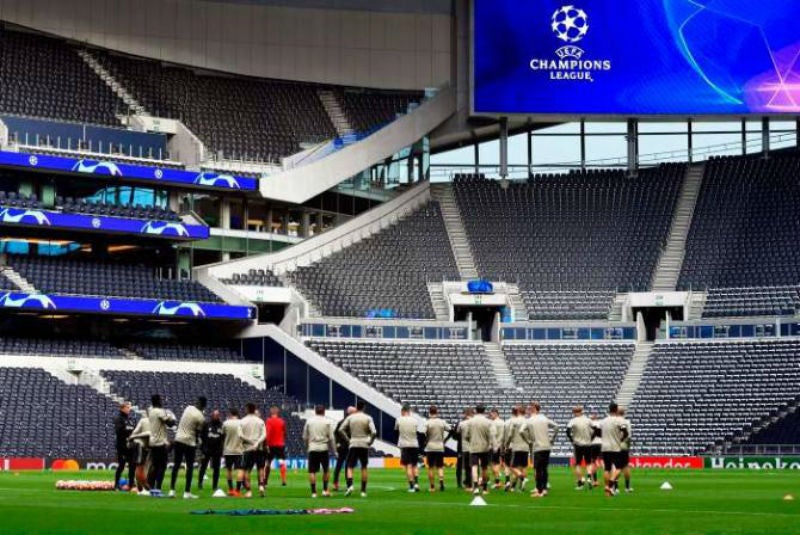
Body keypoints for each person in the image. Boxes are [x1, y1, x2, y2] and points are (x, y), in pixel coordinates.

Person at [169, 396, 207, 499]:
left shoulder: (188, 408)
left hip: (178, 439)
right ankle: (187, 492)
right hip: (189, 442)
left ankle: (172, 490)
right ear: (204, 405)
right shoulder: (201, 417)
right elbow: (198, 432)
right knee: (190, 467)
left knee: (176, 465)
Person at [339, 400, 377, 497]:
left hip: (354, 443)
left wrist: (348, 439)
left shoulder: (351, 417)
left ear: (357, 407)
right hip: (364, 443)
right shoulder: (368, 418)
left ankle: (350, 485)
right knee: (364, 467)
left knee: (350, 467)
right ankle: (363, 491)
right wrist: (371, 441)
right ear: (364, 408)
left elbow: (341, 429)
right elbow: (374, 432)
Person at [303, 404, 336, 498]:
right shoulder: (327, 422)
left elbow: (304, 436)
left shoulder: (309, 421)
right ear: (324, 411)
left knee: (312, 471)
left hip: (312, 448)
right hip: (323, 448)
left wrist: (307, 446)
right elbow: (332, 438)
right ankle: (325, 490)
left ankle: (313, 493)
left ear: (315, 411)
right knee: (326, 470)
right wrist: (334, 450)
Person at [146, 394, 176, 494]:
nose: (162, 401)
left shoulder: (151, 411)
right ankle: (158, 488)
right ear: (158, 401)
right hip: (160, 442)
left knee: (154, 465)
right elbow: (171, 423)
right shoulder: (160, 412)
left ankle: (151, 486)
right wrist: (172, 417)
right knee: (161, 466)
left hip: (152, 441)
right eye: (160, 400)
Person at [528, 402, 559, 498]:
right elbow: (557, 426)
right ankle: (544, 489)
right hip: (547, 446)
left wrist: (529, 440)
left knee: (538, 469)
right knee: (544, 469)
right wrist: (552, 439)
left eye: (530, 408)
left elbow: (521, 431)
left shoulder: (530, 420)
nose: (529, 410)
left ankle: (539, 490)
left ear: (533, 409)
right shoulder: (544, 418)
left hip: (538, 447)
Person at [599, 403, 629, 497]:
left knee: (607, 469)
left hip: (605, 447)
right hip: (615, 447)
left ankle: (607, 490)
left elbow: (598, 432)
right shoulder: (618, 420)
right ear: (616, 410)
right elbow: (625, 432)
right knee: (619, 468)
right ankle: (611, 483)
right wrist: (621, 439)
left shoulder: (603, 421)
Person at [464, 405, 494, 496]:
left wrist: (472, 440)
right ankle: (484, 488)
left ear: (476, 411)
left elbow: (466, 436)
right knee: (484, 468)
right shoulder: (488, 422)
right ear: (484, 411)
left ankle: (476, 487)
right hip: (485, 447)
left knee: (474, 467)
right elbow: (491, 435)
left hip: (474, 447)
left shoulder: (470, 421)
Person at [240, 403, 267, 498]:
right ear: (255, 409)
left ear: (247, 409)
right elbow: (264, 435)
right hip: (259, 448)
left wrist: (250, 442)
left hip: (247, 449)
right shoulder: (260, 421)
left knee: (247, 470)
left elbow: (240, 435)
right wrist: (256, 443)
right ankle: (261, 486)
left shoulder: (242, 421)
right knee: (260, 468)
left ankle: (249, 491)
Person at [422, 405, 450, 493]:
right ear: (437, 412)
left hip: (430, 447)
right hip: (440, 446)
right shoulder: (442, 422)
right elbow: (451, 430)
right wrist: (445, 440)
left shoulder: (427, 422)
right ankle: (441, 482)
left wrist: (425, 441)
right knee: (440, 467)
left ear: (429, 412)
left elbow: (423, 434)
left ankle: (432, 486)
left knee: (430, 467)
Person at [566, 405, 594, 490]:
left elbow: (567, 430)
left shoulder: (573, 420)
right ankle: (589, 476)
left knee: (578, 464)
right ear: (582, 411)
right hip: (588, 444)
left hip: (578, 444)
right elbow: (595, 430)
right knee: (589, 463)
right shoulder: (588, 420)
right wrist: (591, 438)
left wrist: (572, 439)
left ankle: (580, 483)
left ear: (574, 412)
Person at [503, 406, 531, 492]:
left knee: (512, 466)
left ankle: (521, 478)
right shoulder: (528, 421)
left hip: (516, 446)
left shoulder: (514, 421)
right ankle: (520, 485)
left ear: (518, 411)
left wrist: (506, 445)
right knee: (524, 466)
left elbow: (510, 435)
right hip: (526, 447)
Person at [395, 405, 420, 493]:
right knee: (415, 465)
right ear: (409, 411)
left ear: (403, 411)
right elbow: (416, 430)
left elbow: (396, 429)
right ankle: (417, 483)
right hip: (414, 444)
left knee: (408, 466)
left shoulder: (399, 419)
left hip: (405, 445)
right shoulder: (415, 420)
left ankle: (412, 486)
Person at [198, 410, 224, 495]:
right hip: (207, 450)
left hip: (217, 451)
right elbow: (201, 436)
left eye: (218, 415)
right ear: (212, 415)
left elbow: (223, 438)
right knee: (203, 467)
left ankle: (215, 485)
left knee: (216, 469)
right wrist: (202, 449)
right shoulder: (206, 424)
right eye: (215, 415)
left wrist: (222, 449)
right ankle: (200, 483)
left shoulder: (221, 425)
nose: (217, 416)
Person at [222, 408, 245, 497]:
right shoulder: (241, 423)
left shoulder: (225, 423)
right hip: (239, 450)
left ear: (230, 414)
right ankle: (238, 491)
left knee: (229, 470)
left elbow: (223, 435)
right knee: (239, 470)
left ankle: (231, 489)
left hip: (228, 450)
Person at [113, 402, 136, 491]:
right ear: (122, 408)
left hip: (130, 446)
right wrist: (129, 431)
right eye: (127, 407)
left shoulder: (129, 419)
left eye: (129, 407)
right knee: (121, 465)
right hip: (122, 446)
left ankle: (131, 484)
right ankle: (116, 485)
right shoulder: (118, 418)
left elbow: (134, 429)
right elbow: (119, 431)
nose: (129, 409)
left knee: (132, 465)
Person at [264, 405, 288, 488]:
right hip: (280, 445)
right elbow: (285, 433)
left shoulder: (268, 421)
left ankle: (265, 481)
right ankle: (284, 481)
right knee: (281, 462)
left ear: (271, 412)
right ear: (277, 412)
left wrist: (266, 444)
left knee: (268, 463)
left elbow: (268, 433)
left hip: (271, 445)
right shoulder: (282, 421)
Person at [333, 406, 356, 491]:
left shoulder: (354, 422)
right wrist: (337, 443)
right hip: (343, 447)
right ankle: (336, 483)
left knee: (346, 465)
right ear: (349, 413)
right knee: (340, 465)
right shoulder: (342, 422)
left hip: (350, 446)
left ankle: (347, 483)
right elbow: (335, 433)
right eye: (354, 412)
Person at [128, 414, 151, 495]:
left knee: (139, 467)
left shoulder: (143, 420)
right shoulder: (151, 422)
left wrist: (132, 438)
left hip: (137, 444)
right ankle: (144, 488)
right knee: (140, 467)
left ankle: (140, 488)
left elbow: (135, 431)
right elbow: (148, 433)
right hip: (140, 445)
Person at [454, 408, 474, 490]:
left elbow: (455, 435)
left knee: (460, 466)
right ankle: (471, 482)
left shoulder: (460, 423)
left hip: (462, 447)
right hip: (473, 447)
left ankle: (460, 482)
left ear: (465, 414)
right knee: (473, 466)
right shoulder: (475, 423)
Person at [489, 408, 505, 489]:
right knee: (497, 463)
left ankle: (497, 481)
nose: (490, 415)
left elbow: (492, 435)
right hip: (501, 445)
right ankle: (498, 480)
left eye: (491, 414)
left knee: (493, 464)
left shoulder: (493, 423)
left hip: (494, 446)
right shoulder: (503, 422)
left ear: (495, 413)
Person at [618, 407, 633, 493]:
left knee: (615, 467)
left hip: (615, 446)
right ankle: (627, 487)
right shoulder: (627, 422)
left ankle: (615, 488)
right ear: (624, 413)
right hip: (624, 446)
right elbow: (629, 436)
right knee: (626, 466)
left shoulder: (614, 422)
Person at [589, 413, 603, 487]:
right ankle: (610, 480)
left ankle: (595, 481)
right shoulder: (600, 423)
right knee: (604, 462)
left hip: (592, 445)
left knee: (593, 462)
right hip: (601, 444)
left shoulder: (589, 424)